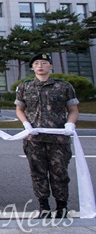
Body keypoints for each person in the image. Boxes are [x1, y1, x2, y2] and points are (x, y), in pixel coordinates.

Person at [15, 53, 79, 218]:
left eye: (44, 63)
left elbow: (73, 109)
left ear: (51, 66)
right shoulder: (25, 87)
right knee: (37, 173)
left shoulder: (64, 87)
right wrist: (25, 124)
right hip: (34, 139)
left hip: (58, 139)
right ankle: (44, 207)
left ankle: (61, 207)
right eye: (36, 63)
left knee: (60, 173)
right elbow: (19, 109)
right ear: (32, 68)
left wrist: (70, 124)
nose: (40, 66)